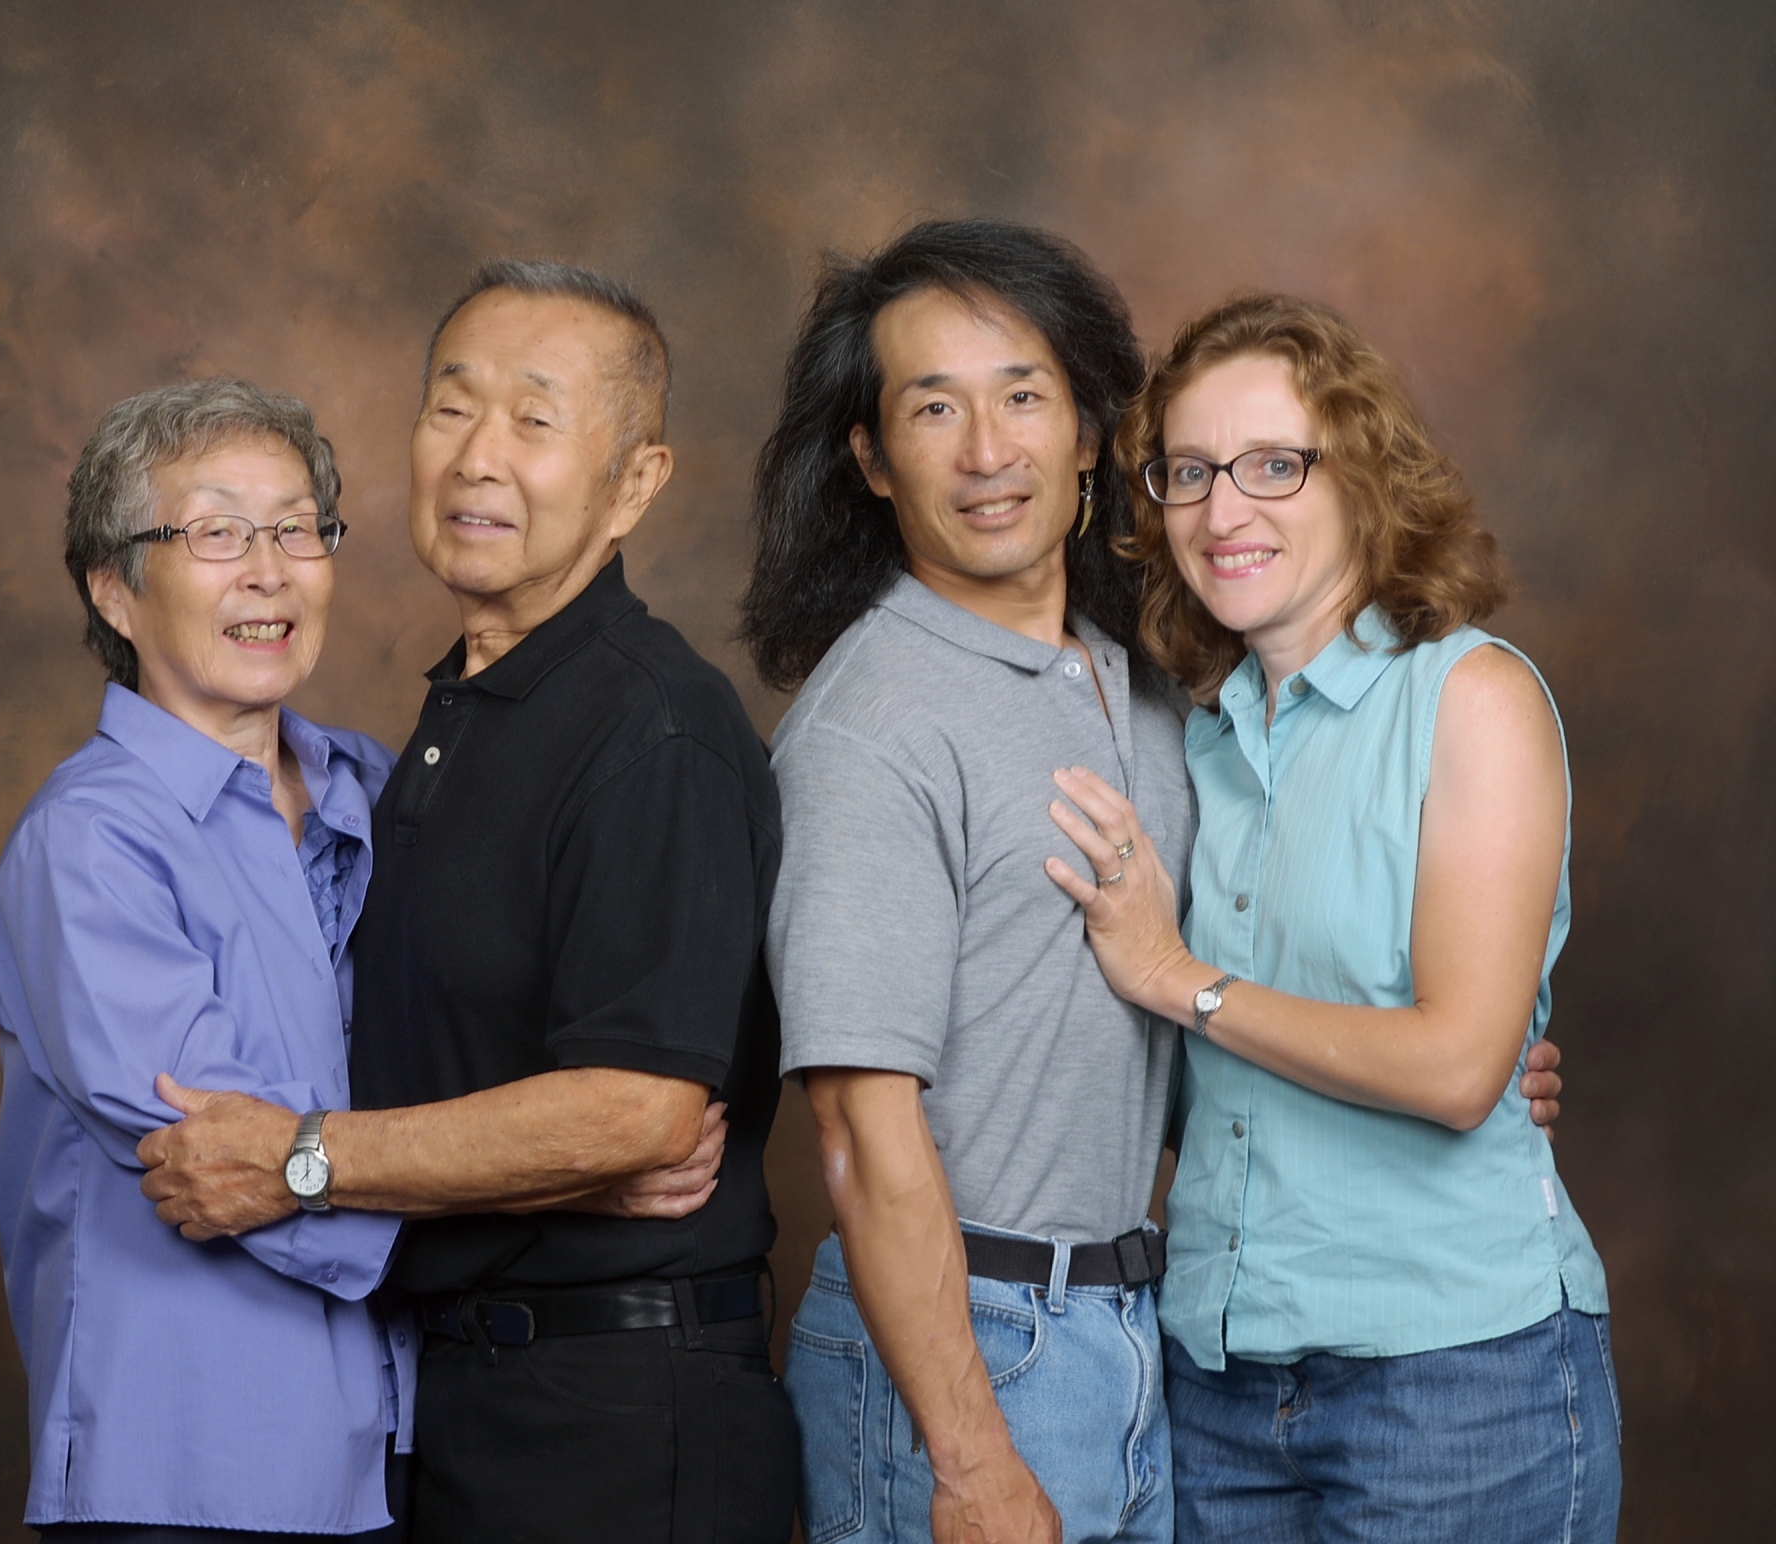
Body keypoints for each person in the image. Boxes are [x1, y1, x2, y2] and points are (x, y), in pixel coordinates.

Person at [741, 221, 1567, 1544]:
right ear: (871, 459)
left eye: (1022, 395)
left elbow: (1161, 1029)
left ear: (1085, 435)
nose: (986, 449)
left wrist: (1461, 1063)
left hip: (1143, 1341)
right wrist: (966, 1460)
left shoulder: (1155, 703)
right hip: (975, 1352)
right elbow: (853, 1128)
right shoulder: (870, 727)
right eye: (930, 407)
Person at [136, 261, 799, 1544]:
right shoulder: (448, 726)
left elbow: (636, 1104)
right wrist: (554, 1178)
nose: (477, 457)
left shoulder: (652, 730)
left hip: (614, 1422)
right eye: (452, 408)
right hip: (455, 1398)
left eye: (535, 420)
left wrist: (301, 1158)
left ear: (636, 483)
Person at [1043, 293, 1619, 1542]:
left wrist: (1178, 977)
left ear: (1360, 477)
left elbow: (1462, 1071)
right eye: (1186, 471)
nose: (1219, 510)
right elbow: (1188, 1092)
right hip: (1215, 1378)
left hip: (1451, 1384)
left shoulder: (1468, 697)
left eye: (1271, 464)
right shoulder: (1192, 736)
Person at [0, 378, 415, 1539]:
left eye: (296, 528)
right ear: (114, 586)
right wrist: (547, 1182)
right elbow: (229, 1157)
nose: (267, 570)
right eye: (216, 532)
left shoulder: (375, 790)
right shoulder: (88, 842)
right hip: (181, 1471)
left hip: (391, 1452)